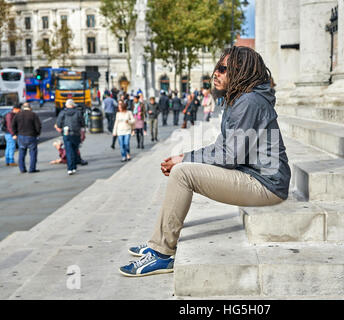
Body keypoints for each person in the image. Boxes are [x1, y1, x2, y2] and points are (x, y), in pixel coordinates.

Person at [119, 46, 291, 277]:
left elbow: (230, 156)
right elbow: (223, 148)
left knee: (183, 174)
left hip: (267, 184)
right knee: (183, 168)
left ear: (241, 72)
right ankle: (157, 242)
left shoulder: (250, 102)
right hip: (256, 176)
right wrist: (184, 156)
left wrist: (185, 160)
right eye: (216, 68)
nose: (215, 74)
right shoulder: (241, 100)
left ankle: (161, 254)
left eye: (222, 69)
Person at [55, 99, 86, 175]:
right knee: (75, 150)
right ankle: (74, 167)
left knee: (68, 151)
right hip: (76, 133)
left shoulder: (63, 113)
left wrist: (62, 127)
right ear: (73, 105)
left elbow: (58, 124)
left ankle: (70, 168)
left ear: (66, 105)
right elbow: (82, 123)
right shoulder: (78, 113)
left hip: (66, 134)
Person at [12, 102, 42, 173]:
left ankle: (22, 169)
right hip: (31, 136)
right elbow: (38, 126)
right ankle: (32, 169)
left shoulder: (17, 115)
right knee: (33, 153)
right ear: (30, 107)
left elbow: (13, 125)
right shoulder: (33, 115)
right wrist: (37, 134)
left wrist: (15, 133)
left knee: (21, 153)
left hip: (21, 136)